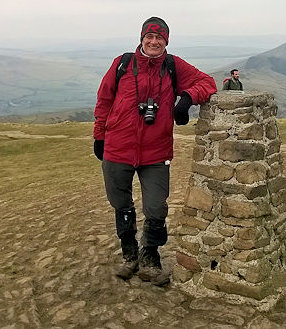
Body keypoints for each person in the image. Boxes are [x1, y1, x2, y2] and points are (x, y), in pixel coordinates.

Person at [93, 17, 217, 286]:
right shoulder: (122, 64)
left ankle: (150, 257)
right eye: (149, 37)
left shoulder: (173, 66)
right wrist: (99, 136)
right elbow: (104, 100)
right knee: (121, 204)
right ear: (141, 38)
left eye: (159, 38)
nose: (153, 42)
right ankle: (130, 256)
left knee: (156, 207)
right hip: (118, 148)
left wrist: (186, 98)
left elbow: (207, 83)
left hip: (155, 152)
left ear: (166, 41)